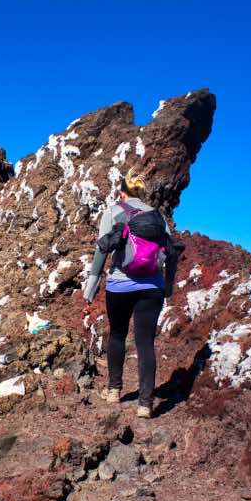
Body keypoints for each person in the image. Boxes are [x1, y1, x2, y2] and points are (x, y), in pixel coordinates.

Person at [82, 170, 171, 418]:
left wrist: (92, 284)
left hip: (120, 285)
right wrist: (169, 286)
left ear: (122, 192)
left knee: (118, 335)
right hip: (152, 287)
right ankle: (145, 403)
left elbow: (102, 249)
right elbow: (171, 251)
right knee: (145, 343)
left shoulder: (113, 212)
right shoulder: (158, 217)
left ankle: (113, 390)